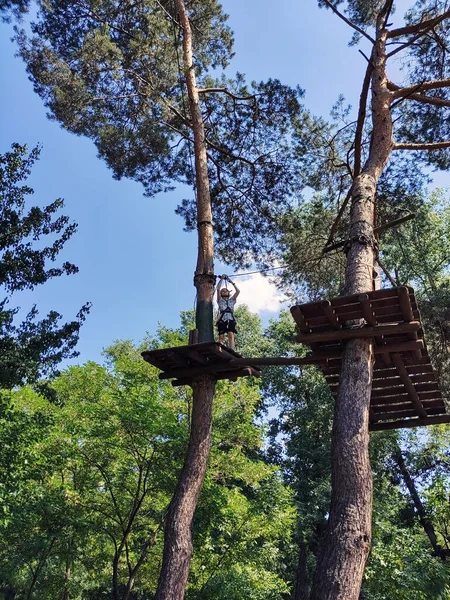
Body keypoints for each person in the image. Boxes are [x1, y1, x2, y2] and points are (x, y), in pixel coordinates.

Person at [216, 274, 240, 350]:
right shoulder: (220, 300)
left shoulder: (232, 300)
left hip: (230, 317)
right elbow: (218, 289)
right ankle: (220, 349)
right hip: (222, 318)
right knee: (221, 335)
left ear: (228, 293)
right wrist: (222, 279)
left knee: (231, 334)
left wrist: (231, 281)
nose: (224, 291)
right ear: (221, 293)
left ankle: (232, 349)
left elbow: (238, 291)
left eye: (226, 290)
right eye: (223, 291)